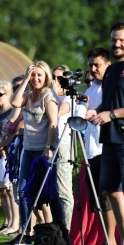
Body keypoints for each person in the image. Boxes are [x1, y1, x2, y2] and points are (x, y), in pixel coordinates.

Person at [87, 22, 124, 245]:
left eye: (122, 39)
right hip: (109, 140)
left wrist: (111, 114)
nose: (117, 43)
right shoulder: (111, 71)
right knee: (112, 190)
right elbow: (112, 103)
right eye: (114, 39)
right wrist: (97, 112)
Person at [6, 60, 61, 245]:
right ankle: (25, 233)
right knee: (22, 192)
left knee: (45, 194)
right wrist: (24, 81)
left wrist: (48, 148)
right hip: (28, 150)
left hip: (43, 151)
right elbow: (14, 102)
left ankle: (56, 231)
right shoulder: (27, 95)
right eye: (33, 75)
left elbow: (53, 124)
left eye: (39, 75)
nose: (36, 78)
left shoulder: (49, 96)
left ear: (46, 77)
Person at [83, 47, 118, 245]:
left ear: (108, 65)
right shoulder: (90, 88)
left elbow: (110, 107)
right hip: (91, 148)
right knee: (97, 199)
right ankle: (106, 239)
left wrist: (96, 112)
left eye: (97, 64)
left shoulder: (112, 85)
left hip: (108, 146)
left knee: (107, 196)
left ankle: (111, 242)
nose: (93, 69)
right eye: (91, 65)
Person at [0, 80, 19, 235]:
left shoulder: (13, 111)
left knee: (10, 190)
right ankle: (7, 222)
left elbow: (15, 131)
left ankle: (15, 223)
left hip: (9, 152)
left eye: (0, 94)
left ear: (8, 95)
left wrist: (6, 147)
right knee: (2, 190)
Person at [51, 64, 74, 231]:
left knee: (64, 192)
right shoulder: (51, 97)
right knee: (52, 192)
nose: (56, 81)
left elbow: (56, 113)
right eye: (53, 77)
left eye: (60, 78)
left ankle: (66, 231)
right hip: (51, 144)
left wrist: (52, 93)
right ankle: (56, 228)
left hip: (64, 145)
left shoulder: (68, 98)